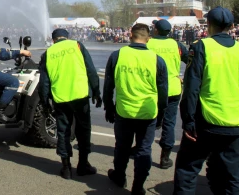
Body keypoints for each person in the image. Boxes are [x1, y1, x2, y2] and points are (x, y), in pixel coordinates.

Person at [173, 6, 239, 194]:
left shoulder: (201, 47)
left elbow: (192, 88)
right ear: (232, 26)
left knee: (187, 171)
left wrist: (188, 120)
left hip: (206, 122)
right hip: (236, 123)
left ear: (208, 25)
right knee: (234, 177)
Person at [104, 23, 168, 195]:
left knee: (122, 147)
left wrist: (108, 107)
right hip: (147, 113)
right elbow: (163, 93)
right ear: (148, 39)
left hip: (124, 111)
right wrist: (161, 114)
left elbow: (108, 85)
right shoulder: (157, 60)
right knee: (144, 150)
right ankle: (138, 186)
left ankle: (119, 175)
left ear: (130, 35)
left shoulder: (117, 56)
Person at [39, 28, 102, 180]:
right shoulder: (77, 46)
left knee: (63, 131)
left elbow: (44, 83)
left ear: (53, 40)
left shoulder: (48, 53)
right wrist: (96, 92)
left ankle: (66, 168)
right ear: (67, 37)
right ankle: (83, 164)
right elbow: (91, 70)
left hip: (60, 98)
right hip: (80, 96)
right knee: (84, 130)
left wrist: (45, 102)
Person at [146, 19, 189, 169]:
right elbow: (190, 60)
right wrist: (185, 77)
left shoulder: (148, 43)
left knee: (148, 121)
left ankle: (143, 151)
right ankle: (165, 157)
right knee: (169, 123)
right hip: (173, 89)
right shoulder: (176, 45)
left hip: (152, 89)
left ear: (156, 30)